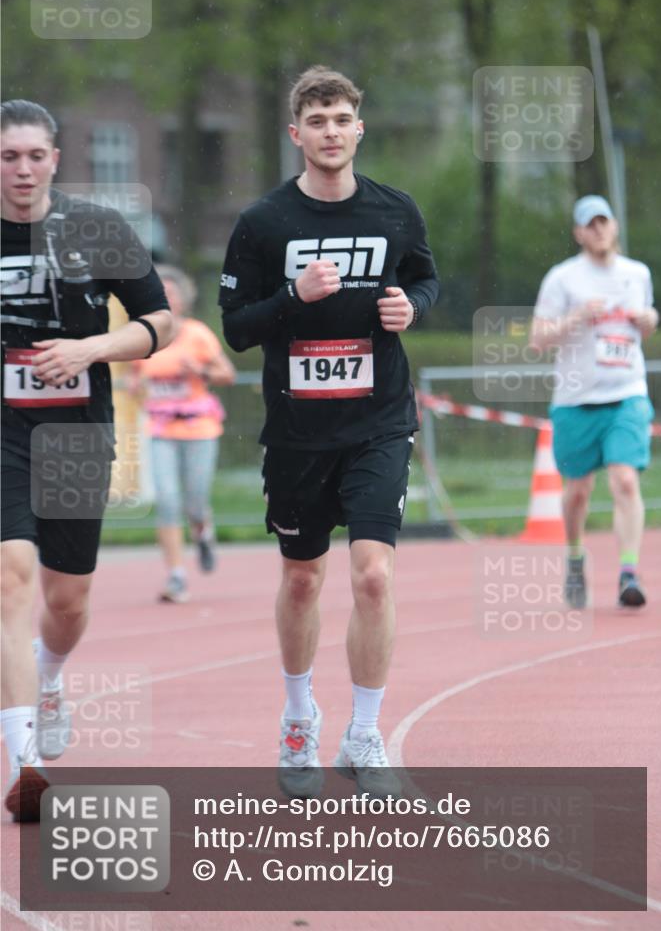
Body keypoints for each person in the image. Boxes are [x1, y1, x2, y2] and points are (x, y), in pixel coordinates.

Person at [218, 66, 440, 798]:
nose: (331, 132)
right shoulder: (263, 223)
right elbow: (236, 329)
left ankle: (364, 734)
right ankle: (298, 719)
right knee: (302, 578)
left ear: (359, 128)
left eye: (342, 119)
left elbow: (425, 279)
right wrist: (293, 295)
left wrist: (413, 307)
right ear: (296, 134)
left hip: (379, 420)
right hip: (298, 431)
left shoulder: (395, 211)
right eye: (316, 121)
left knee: (373, 575)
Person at [1, 100, 173, 820]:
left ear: (56, 160)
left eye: (34, 155)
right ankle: (25, 763)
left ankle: (50, 679)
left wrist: (92, 348)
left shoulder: (95, 228)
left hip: (76, 432)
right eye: (8, 156)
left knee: (66, 599)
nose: (22, 169)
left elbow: (161, 321)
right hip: (3, 433)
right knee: (10, 576)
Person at [530, 194, 659, 609]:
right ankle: (574, 557)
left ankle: (629, 572)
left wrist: (650, 320)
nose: (599, 229)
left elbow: (647, 322)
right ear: (579, 233)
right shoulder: (562, 279)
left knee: (625, 480)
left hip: (626, 394)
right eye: (591, 224)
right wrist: (576, 317)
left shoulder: (637, 273)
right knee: (578, 491)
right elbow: (537, 340)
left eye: (604, 221)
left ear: (615, 226)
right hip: (576, 400)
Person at [130, 265, 236, 603]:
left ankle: (203, 532)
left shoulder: (197, 334)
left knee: (195, 501)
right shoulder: (144, 335)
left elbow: (227, 375)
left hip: (199, 427)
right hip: (161, 428)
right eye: (160, 291)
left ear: (183, 298)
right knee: (167, 500)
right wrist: (137, 386)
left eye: (171, 292)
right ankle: (176, 575)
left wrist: (199, 370)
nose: (166, 297)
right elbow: (136, 376)